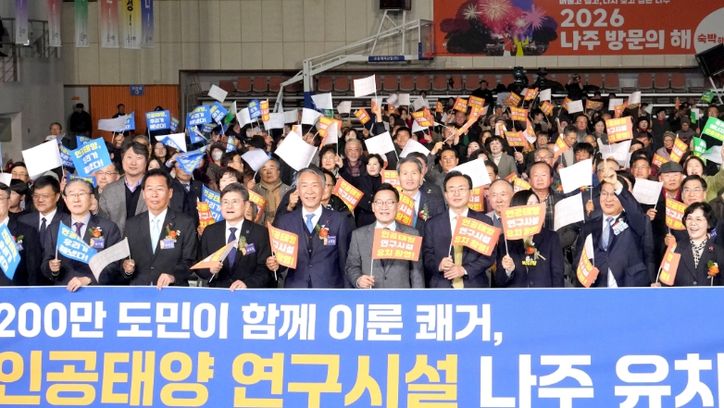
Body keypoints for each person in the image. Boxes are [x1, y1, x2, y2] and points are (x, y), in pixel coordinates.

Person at [267, 167, 353, 288]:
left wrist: (347, 293)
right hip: (296, 290)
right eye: (304, 186)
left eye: (314, 185)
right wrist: (274, 264)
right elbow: (281, 263)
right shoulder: (285, 221)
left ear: (323, 189)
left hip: (329, 290)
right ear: (298, 189)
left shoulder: (339, 220)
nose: (310, 191)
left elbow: (345, 261)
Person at [574, 172, 654, 287]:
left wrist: (617, 185)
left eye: (613, 194)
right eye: (604, 194)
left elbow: (634, 210)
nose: (608, 199)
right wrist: (586, 274)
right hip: (598, 288)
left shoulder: (634, 221)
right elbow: (578, 260)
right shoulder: (589, 226)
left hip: (629, 287)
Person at [40, 179, 122, 291]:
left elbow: (114, 266)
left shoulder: (108, 227)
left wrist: (89, 279)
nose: (76, 199)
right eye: (72, 194)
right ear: (65, 199)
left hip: (96, 292)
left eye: (81, 194)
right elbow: (45, 264)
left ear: (91, 198)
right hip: (63, 292)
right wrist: (51, 268)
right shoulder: (55, 229)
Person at [121, 169, 198, 287]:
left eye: (160, 189)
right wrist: (126, 269)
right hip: (139, 290)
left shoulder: (185, 223)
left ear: (170, 193)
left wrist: (173, 276)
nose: (154, 194)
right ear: (143, 193)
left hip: (172, 290)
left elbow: (190, 260)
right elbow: (124, 259)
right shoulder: (132, 224)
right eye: (150, 189)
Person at [423, 171, 495, 288]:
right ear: (446, 195)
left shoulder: (484, 221)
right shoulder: (432, 224)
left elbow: (489, 256)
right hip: (441, 286)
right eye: (451, 190)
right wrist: (439, 265)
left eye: (461, 189)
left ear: (470, 193)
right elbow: (427, 255)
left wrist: (464, 270)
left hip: (474, 286)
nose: (456, 194)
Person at [345, 183, 424, 289]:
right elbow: (351, 266)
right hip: (370, 295)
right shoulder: (358, 235)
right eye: (379, 202)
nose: (384, 207)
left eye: (390, 202)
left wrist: (417, 296)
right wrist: (358, 279)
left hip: (401, 296)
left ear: (398, 206)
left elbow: (417, 273)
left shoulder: (411, 234)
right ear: (373, 207)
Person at [197, 183, 274, 289]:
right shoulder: (210, 232)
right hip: (218, 293)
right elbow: (200, 266)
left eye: (235, 202)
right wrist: (210, 270)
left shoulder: (260, 233)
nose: (229, 206)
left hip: (248, 293)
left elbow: (265, 269)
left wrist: (247, 283)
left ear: (246, 205)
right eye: (225, 202)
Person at [496, 190, 565, 287]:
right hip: (516, 295)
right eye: (530, 204)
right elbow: (499, 281)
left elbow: (557, 275)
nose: (535, 207)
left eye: (537, 204)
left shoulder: (551, 238)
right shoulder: (505, 240)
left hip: (544, 295)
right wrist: (508, 270)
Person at [662, 202, 723, 286]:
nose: (693, 223)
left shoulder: (719, 253)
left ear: (709, 224)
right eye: (689, 218)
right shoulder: (675, 249)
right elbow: (665, 283)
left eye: (698, 219)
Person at [99, 141, 149, 233]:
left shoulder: (154, 190)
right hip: (114, 240)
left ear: (146, 162)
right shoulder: (109, 190)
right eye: (129, 157)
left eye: (139, 158)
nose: (133, 163)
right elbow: (102, 225)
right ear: (122, 160)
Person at [18, 175, 65, 270]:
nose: (39, 200)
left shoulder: (67, 222)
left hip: (58, 275)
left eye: (45, 196)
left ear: (57, 196)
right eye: (36, 196)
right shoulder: (23, 220)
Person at [0, 183, 40, 286]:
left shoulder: (27, 231)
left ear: (9, 202)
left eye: (0, 198)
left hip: (15, 292)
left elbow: (33, 270)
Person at [397, 157, 445, 235]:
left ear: (421, 176)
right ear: (398, 177)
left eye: (414, 173)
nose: (409, 178)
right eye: (405, 173)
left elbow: (441, 230)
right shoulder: (391, 202)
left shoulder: (435, 202)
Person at [253, 158, 292, 225]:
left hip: (283, 227)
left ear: (278, 172)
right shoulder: (254, 190)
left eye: (271, 168)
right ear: (260, 174)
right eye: (264, 169)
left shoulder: (289, 191)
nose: (268, 172)